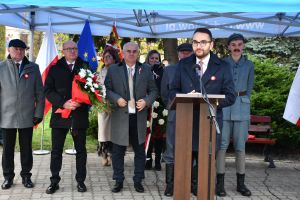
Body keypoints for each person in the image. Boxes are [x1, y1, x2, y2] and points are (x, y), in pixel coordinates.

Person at [169, 28, 236, 196]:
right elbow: (172, 91)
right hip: (186, 125)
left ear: (211, 44)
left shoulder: (222, 66)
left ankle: (201, 191)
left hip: (209, 126)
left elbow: (231, 96)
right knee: (183, 165)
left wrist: (212, 102)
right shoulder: (184, 64)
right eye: (195, 42)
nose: (199, 46)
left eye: (203, 42)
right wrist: (184, 97)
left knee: (205, 170)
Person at [104, 42, 158, 193]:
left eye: (135, 51)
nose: (132, 54)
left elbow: (154, 90)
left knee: (140, 151)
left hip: (138, 117)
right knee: (118, 151)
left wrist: (147, 101)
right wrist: (116, 98)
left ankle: (138, 181)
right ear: (123, 52)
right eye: (128, 51)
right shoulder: (114, 69)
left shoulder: (146, 69)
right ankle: (118, 181)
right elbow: (107, 90)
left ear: (139, 52)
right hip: (120, 116)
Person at [44, 40, 90, 194]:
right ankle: (54, 181)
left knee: (81, 151)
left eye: (75, 48)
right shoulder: (55, 68)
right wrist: (63, 103)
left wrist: (79, 102)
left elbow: (92, 90)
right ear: (63, 50)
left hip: (79, 115)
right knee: (56, 151)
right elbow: (48, 90)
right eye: (69, 49)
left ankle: (81, 181)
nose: (72, 51)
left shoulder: (85, 66)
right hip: (60, 115)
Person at [0, 39, 44, 189]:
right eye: (15, 48)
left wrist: (38, 113)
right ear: (9, 50)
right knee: (7, 149)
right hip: (6, 116)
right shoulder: (1, 67)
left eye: (22, 49)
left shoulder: (33, 68)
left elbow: (40, 93)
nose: (19, 51)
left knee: (26, 148)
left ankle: (26, 176)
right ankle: (8, 177)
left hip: (27, 115)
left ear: (25, 51)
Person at [216, 33, 254, 197]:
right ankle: (220, 184)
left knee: (240, 147)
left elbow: (250, 86)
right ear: (229, 47)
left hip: (242, 107)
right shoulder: (222, 63)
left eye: (239, 44)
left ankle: (241, 184)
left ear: (243, 45)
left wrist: (243, 99)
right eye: (233, 44)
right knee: (222, 146)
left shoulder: (249, 64)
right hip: (225, 107)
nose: (237, 47)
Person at [160, 43, 193, 196]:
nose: (185, 55)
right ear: (178, 54)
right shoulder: (169, 70)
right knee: (171, 147)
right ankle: (170, 184)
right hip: (175, 113)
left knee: (193, 148)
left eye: (188, 53)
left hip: (194, 114)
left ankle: (192, 183)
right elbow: (164, 92)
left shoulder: (198, 69)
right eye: (183, 53)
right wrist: (173, 105)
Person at [97, 48, 120, 166]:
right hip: (103, 106)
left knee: (114, 132)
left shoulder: (119, 71)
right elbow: (96, 89)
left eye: (109, 57)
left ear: (114, 58)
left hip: (116, 106)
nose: (106, 59)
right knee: (103, 132)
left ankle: (112, 155)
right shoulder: (100, 72)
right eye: (104, 57)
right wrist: (101, 101)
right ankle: (104, 154)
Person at [144, 50, 165, 171]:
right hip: (147, 104)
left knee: (158, 133)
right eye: (152, 58)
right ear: (148, 59)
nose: (154, 61)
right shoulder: (143, 70)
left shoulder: (163, 70)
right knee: (148, 133)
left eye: (156, 58)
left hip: (160, 105)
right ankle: (148, 160)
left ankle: (157, 160)